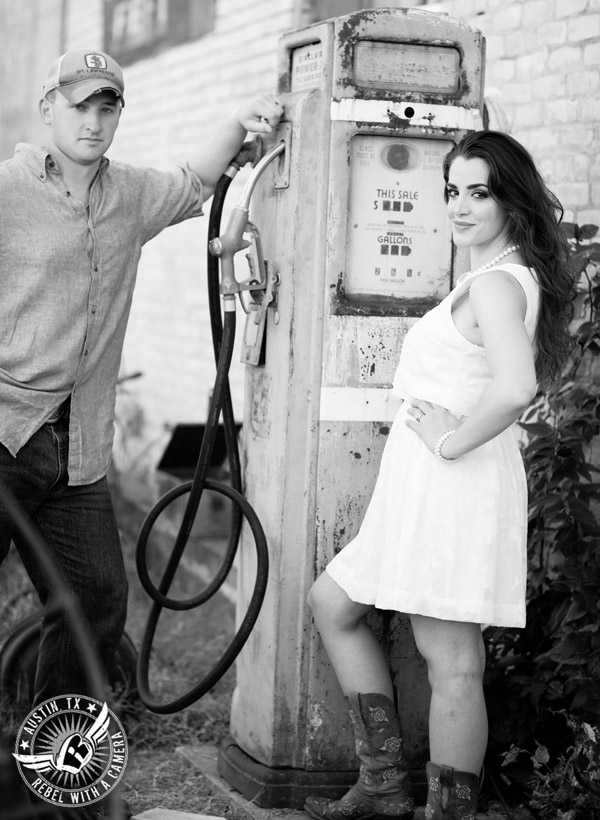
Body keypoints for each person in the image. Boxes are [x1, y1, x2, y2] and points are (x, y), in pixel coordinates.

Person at [0, 50, 283, 712]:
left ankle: (55, 774)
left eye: (108, 108)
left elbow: (191, 182)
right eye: (80, 107)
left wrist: (240, 122)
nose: (94, 123)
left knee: (95, 603)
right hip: (7, 434)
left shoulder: (128, 194)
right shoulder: (9, 192)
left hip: (77, 449)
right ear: (48, 108)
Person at [304, 130, 575, 820]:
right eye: (452, 190)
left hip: (452, 483)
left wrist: (448, 443)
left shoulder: (493, 284)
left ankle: (441, 810)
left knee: (452, 660)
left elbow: (515, 388)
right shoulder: (497, 278)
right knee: (335, 603)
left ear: (510, 200)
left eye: (478, 192)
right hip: (428, 489)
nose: (459, 205)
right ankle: (385, 784)